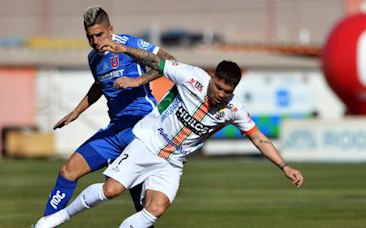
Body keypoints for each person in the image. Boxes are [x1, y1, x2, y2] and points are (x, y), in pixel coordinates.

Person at [34, 38, 304, 228]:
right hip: (148, 142)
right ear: (212, 78)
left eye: (227, 91)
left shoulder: (233, 109)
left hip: (173, 162)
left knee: (155, 209)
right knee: (112, 190)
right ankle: (61, 217)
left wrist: (283, 166)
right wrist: (120, 49)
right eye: (219, 87)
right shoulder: (191, 76)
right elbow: (155, 59)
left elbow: (258, 137)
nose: (221, 94)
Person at [38, 5, 175, 220]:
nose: (95, 41)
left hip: (140, 128)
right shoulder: (94, 58)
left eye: (99, 35)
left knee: (140, 200)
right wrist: (76, 112)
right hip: (115, 131)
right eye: (90, 37)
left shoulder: (129, 44)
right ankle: (46, 223)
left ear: (111, 29)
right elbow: (99, 85)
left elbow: (169, 62)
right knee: (68, 171)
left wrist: (138, 80)